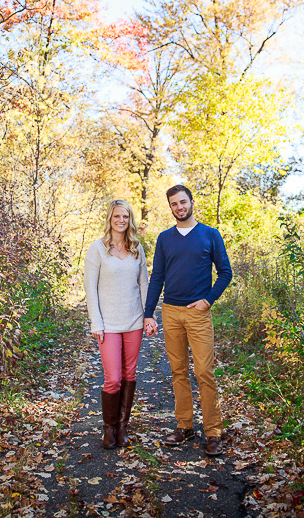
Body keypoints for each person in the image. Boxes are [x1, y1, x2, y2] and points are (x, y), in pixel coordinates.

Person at [142, 184, 232, 456]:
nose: (179, 207)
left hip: (198, 314)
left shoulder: (210, 235)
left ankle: (213, 431)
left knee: (204, 371)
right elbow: (157, 277)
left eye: (183, 202)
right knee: (178, 371)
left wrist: (208, 299)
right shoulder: (164, 239)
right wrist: (149, 313)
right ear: (170, 207)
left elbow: (225, 272)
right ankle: (185, 426)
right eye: (174, 204)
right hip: (170, 311)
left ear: (192, 203)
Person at [83, 199, 149, 449]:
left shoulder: (137, 249)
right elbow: (90, 289)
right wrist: (96, 322)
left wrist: (148, 315)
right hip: (108, 324)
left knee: (129, 374)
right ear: (110, 219)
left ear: (130, 219)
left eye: (125, 216)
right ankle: (108, 429)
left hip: (133, 321)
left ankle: (122, 426)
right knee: (112, 378)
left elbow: (144, 284)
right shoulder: (96, 249)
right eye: (116, 216)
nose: (121, 221)